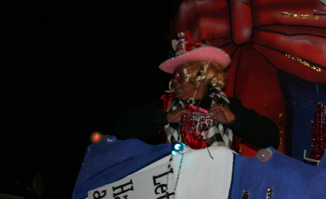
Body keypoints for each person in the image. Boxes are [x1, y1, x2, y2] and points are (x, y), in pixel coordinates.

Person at [115, 32, 279, 151]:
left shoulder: (228, 106)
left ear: (201, 75)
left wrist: (234, 120)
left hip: (219, 187)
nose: (175, 81)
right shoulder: (167, 106)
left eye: (181, 75)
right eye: (174, 76)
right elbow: (122, 126)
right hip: (178, 188)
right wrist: (165, 117)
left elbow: (272, 138)